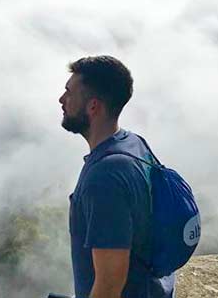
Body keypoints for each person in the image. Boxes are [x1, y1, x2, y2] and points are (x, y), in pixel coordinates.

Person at [59, 56, 175, 298]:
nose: (62, 100)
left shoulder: (104, 179)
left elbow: (110, 284)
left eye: (69, 93)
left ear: (93, 107)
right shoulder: (133, 143)